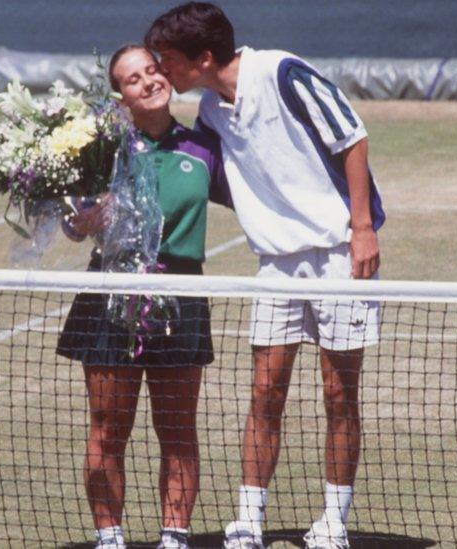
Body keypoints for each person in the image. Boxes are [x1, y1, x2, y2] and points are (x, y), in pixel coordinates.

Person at [145, 4, 385, 548]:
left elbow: (352, 136)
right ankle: (248, 521)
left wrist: (362, 227)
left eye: (169, 61)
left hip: (337, 253)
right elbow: (201, 169)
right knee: (264, 391)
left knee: (339, 392)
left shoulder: (282, 72)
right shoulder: (210, 110)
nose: (163, 71)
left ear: (203, 58)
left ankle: (333, 523)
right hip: (276, 264)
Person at [56, 44, 231, 549]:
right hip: (111, 293)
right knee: (109, 430)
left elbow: (257, 196)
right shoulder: (100, 150)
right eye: (134, 79)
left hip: (180, 295)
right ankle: (110, 539)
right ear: (120, 96)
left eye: (153, 70)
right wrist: (79, 220)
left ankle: (173, 540)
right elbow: (72, 222)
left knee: (177, 430)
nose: (149, 81)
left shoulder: (203, 149)